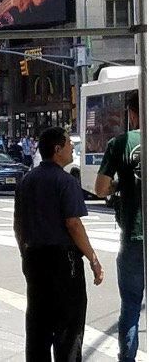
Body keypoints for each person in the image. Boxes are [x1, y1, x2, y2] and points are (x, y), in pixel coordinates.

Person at [14, 127, 104, 362]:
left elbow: (18, 225)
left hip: (34, 256)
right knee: (68, 327)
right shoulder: (65, 182)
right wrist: (93, 258)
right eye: (68, 144)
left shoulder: (26, 181)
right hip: (63, 261)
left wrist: (25, 253)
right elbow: (73, 224)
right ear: (57, 150)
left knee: (38, 326)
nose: (72, 148)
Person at [95, 91, 144, 362]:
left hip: (135, 236)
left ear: (133, 113)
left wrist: (119, 184)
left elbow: (101, 189)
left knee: (131, 306)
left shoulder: (120, 143)